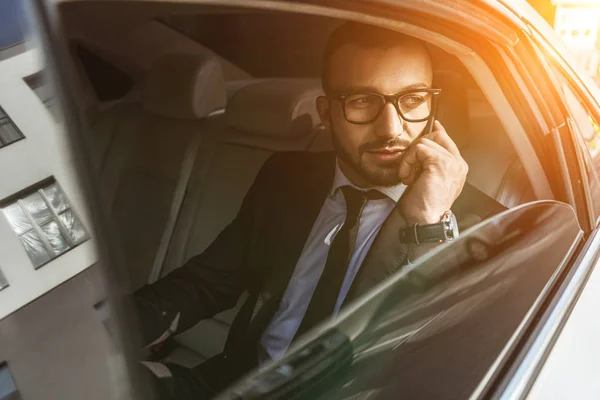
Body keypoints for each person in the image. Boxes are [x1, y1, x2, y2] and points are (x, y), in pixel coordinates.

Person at [134, 22, 505, 399]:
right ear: (326, 113)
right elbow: (206, 283)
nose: (391, 128)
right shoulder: (288, 176)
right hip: (239, 384)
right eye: (362, 101)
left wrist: (428, 225)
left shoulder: (488, 228)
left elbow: (441, 365)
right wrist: (106, 332)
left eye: (412, 100)